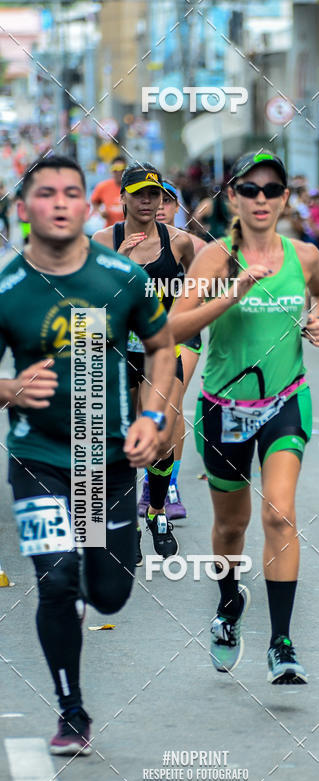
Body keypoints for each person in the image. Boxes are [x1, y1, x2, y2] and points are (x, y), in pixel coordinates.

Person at [0, 155, 175, 755]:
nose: (58, 202)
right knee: (55, 581)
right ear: (24, 208)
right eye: (45, 192)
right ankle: (71, 709)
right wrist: (8, 388)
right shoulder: (9, 288)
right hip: (38, 458)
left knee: (107, 593)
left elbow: (161, 347)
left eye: (70, 192)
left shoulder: (120, 277)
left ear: (86, 205)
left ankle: (94, 577)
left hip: (106, 463)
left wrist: (152, 417)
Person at [169, 150, 319, 684]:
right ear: (233, 198)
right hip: (223, 407)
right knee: (231, 524)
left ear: (285, 198)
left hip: (285, 400)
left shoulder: (303, 255)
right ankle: (227, 605)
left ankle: (282, 643)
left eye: (271, 190)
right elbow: (174, 328)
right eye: (249, 189)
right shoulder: (215, 258)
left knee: (279, 515)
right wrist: (232, 293)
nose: (260, 199)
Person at [93, 164, 195, 559]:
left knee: (162, 437)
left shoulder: (180, 242)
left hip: (162, 352)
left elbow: (202, 283)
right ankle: (128, 525)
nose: (147, 201)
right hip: (118, 351)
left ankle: (155, 511)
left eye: (154, 194)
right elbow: (90, 304)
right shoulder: (104, 240)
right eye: (138, 194)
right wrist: (117, 264)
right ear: (122, 198)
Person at [157, 178, 206, 519]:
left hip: (182, 334)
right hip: (138, 338)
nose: (159, 206)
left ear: (177, 207)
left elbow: (215, 288)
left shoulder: (194, 245)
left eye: (167, 200)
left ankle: (167, 485)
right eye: (153, 198)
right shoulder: (122, 243)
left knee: (171, 404)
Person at [89, 156, 126, 227]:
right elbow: (94, 202)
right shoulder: (103, 186)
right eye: (115, 169)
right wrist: (100, 212)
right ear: (111, 170)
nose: (119, 172)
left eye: (122, 170)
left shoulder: (132, 187)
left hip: (129, 230)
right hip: (110, 229)